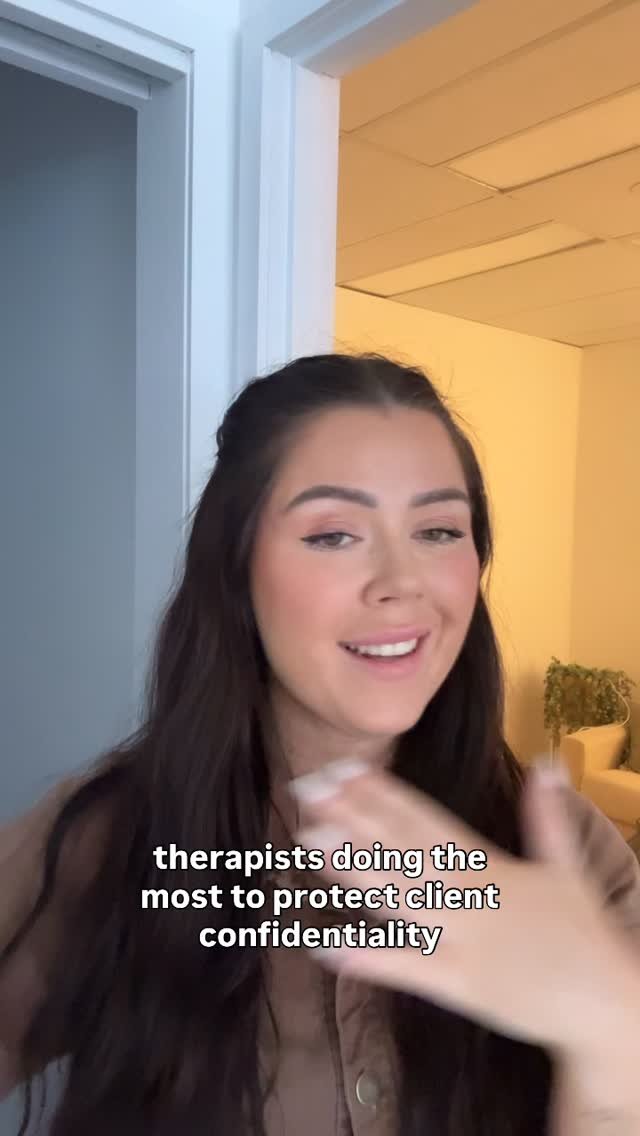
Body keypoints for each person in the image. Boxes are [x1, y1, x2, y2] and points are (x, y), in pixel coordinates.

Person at [0, 353, 639, 1136]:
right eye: (334, 534)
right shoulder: (109, 838)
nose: (402, 581)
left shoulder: (569, 857)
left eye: (439, 530)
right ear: (237, 565)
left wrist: (610, 1031)